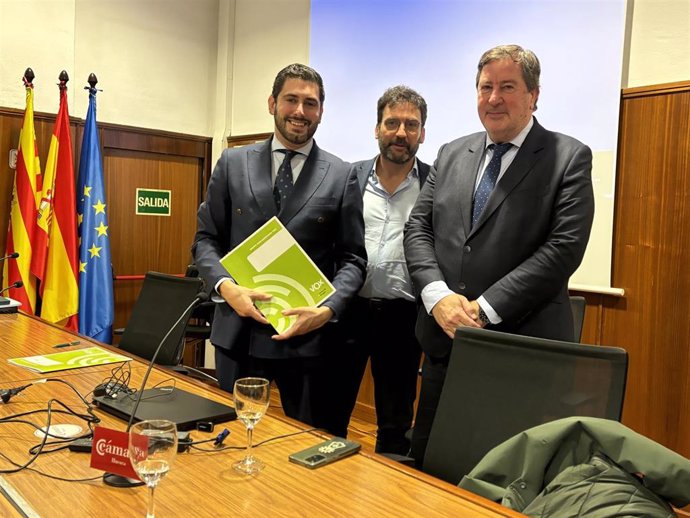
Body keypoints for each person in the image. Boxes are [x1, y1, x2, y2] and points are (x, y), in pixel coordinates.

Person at [403, 45, 595, 466]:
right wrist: (438, 297)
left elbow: (563, 248)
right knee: (431, 467)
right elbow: (418, 228)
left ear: (534, 95)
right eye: (485, 87)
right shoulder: (452, 152)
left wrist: (483, 310)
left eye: (507, 87)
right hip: (444, 343)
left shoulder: (568, 157)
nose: (493, 98)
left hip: (521, 355)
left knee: (504, 481)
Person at [192, 63, 366, 433]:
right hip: (238, 332)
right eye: (291, 100)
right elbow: (206, 240)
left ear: (321, 111)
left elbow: (352, 259)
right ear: (272, 103)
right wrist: (226, 287)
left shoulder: (341, 174)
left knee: (302, 449)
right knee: (229, 439)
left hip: (307, 340)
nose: (300, 111)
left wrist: (328, 310)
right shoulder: (233, 162)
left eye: (310, 103)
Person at [339, 86, 430, 453]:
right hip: (347, 311)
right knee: (331, 408)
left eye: (411, 125)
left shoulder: (435, 183)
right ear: (377, 128)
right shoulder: (348, 177)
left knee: (395, 421)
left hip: (403, 318)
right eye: (392, 123)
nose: (400, 133)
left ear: (423, 133)